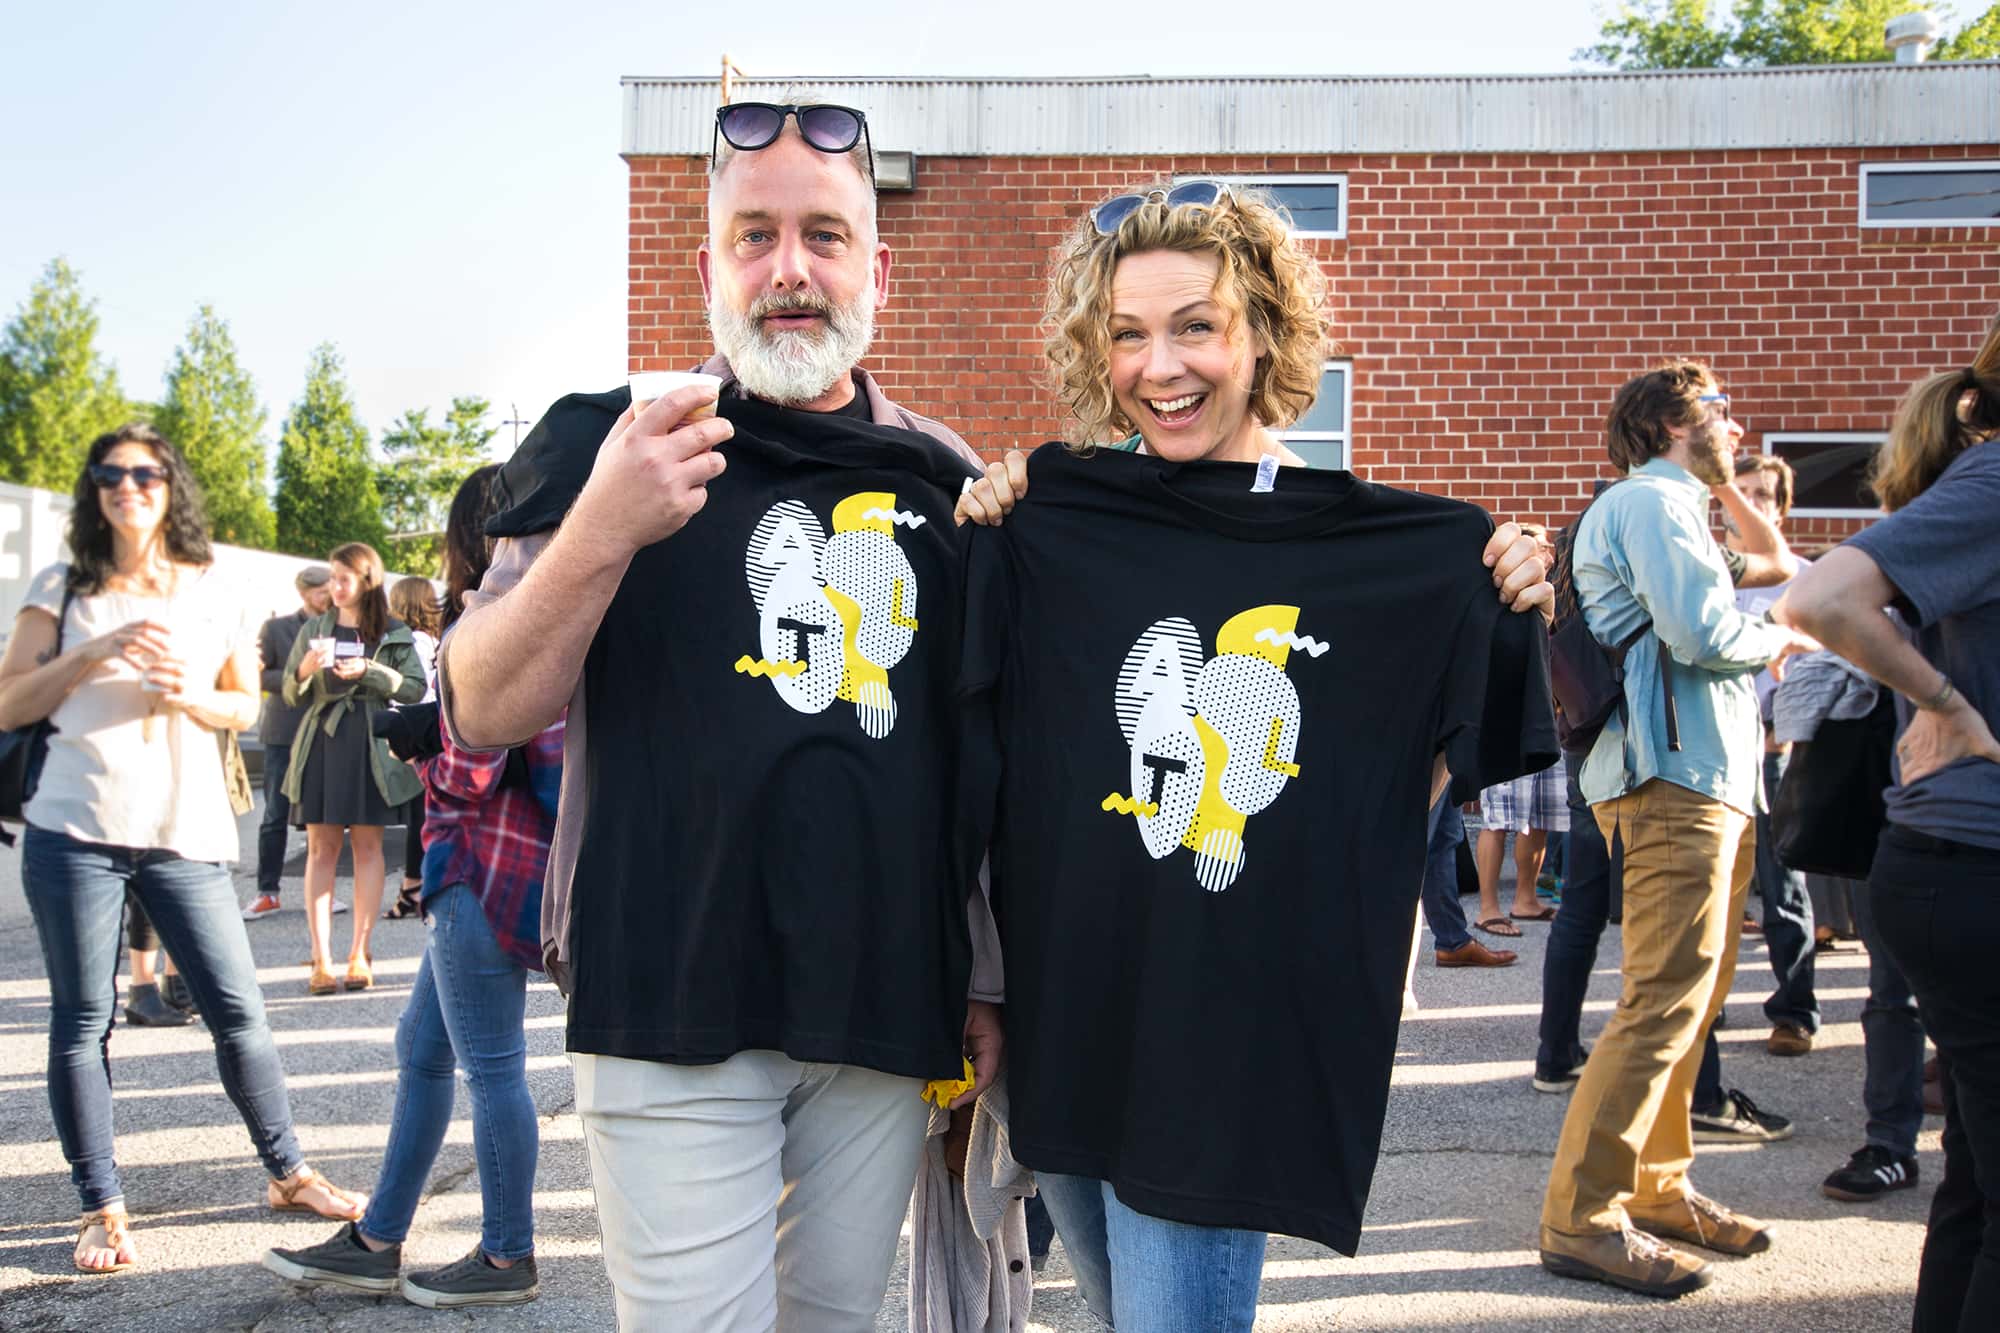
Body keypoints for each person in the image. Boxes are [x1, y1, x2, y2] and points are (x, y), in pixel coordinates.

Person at [440, 96, 1007, 1330]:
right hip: (667, 992)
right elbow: (480, 703)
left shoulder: (944, 477)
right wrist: (603, 523)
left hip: (877, 1004)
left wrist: (988, 972)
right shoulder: (606, 438)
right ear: (708, 265)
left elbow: (978, 754)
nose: (788, 270)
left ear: (877, 267)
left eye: (822, 235)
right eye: (754, 236)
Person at [954, 182, 1555, 1331]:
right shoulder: (1047, 518)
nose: (1157, 364)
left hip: (1221, 1034)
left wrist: (1497, 594)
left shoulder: (1395, 560)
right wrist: (998, 512)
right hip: (1066, 1012)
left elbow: (1413, 780)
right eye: (1126, 333)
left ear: (1263, 333)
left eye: (1195, 325)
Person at [0, 423, 366, 1275]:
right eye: (111, 473)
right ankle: (102, 1205)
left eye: (146, 472)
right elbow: (12, 702)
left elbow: (245, 705)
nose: (129, 485)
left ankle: (288, 1170)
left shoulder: (213, 586)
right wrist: (92, 652)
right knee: (83, 1021)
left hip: (187, 831)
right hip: (75, 828)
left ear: (171, 488)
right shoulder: (62, 585)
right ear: (95, 489)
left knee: (239, 1010)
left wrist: (194, 694)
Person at [1537, 361, 1816, 1300]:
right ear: (1666, 423)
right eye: (1718, 409)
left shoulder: (1679, 505)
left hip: (1703, 777)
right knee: (1661, 1000)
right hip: (1671, 778)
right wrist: (1778, 632)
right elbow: (1703, 630)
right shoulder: (1652, 505)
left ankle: (1657, 1188)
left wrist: (1727, 481)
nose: (1734, 419)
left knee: (1688, 1001)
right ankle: (1584, 1216)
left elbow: (1774, 561)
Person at [266, 466, 559, 1308]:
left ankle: (507, 1255)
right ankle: (377, 1236)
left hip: (476, 862)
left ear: (476, 535)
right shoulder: (553, 607)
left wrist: (424, 740)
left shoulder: (491, 617)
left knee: (492, 1066)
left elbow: (472, 770)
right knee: (421, 1050)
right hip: (506, 866)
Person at [1778, 314, 2000, 1331]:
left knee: (1976, 1187)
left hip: (1945, 865)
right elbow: (1818, 596)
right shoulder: (1992, 483)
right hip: (1967, 866)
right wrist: (1951, 709)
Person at [281, 542, 426, 994]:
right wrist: (304, 671)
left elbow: (415, 689)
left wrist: (370, 671)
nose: (335, 586)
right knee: (321, 850)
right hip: (322, 741)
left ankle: (360, 953)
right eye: (332, 577)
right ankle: (320, 959)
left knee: (368, 848)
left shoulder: (394, 632)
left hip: (372, 743)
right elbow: (289, 693)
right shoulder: (314, 629)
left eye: (344, 578)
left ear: (367, 581)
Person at [1725, 453, 1818, 1056]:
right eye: (1744, 494)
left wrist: (1781, 730)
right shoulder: (1711, 572)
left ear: (1781, 508)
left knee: (1783, 890)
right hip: (1718, 756)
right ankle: (1708, 1011)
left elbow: (1820, 665)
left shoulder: (1803, 578)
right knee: (1719, 897)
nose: (1754, 505)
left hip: (1773, 750)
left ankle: (1795, 1011)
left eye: (1764, 496)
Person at [242, 566, 332, 922]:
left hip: (326, 731)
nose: (327, 595)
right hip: (284, 732)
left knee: (322, 816)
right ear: (304, 592)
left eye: (330, 588)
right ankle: (268, 892)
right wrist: (300, 673)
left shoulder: (338, 626)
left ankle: (323, 892)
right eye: (321, 590)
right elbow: (260, 674)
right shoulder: (276, 628)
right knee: (275, 814)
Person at [383, 576, 443, 920]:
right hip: (425, 732)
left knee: (420, 814)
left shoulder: (410, 640)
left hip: (416, 731)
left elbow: (414, 692)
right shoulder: (422, 640)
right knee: (421, 813)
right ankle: (413, 883)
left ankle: (414, 884)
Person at [1471, 755, 1567, 936]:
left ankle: (1526, 901)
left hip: (1548, 735)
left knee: (1541, 816)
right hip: (1506, 738)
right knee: (1496, 820)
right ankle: (1488, 909)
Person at [1426, 788, 1517, 968]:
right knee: (1421, 839)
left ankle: (1452, 939)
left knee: (1444, 838)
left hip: (1440, 762)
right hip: (1414, 763)